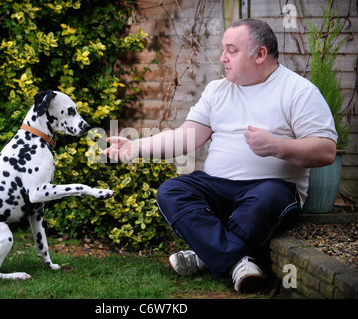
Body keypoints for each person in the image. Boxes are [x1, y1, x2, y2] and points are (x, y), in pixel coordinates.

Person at [105, 18, 337, 293]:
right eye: (223, 49)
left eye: (231, 50)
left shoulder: (298, 91)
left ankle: (206, 255)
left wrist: (277, 146)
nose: (222, 57)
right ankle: (236, 261)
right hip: (216, 187)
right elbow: (185, 136)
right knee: (172, 190)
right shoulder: (217, 90)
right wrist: (137, 147)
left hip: (269, 191)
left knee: (268, 196)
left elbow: (326, 150)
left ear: (260, 54)